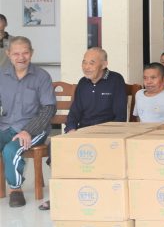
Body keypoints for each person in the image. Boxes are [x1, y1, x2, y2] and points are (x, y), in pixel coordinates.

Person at [0, 37, 55, 208]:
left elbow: (49, 108)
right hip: (5, 125)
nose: (21, 57)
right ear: (8, 54)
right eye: (16, 53)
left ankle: (15, 190)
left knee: (11, 150)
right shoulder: (2, 75)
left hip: (34, 128)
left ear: (31, 53)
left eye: (25, 53)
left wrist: (28, 131)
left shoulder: (42, 76)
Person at [65, 47, 127, 132]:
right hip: (84, 131)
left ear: (104, 65)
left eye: (91, 63)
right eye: (84, 63)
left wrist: (109, 133)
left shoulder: (116, 80)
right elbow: (74, 113)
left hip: (107, 132)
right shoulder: (83, 82)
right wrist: (71, 129)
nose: (86, 67)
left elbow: (120, 116)